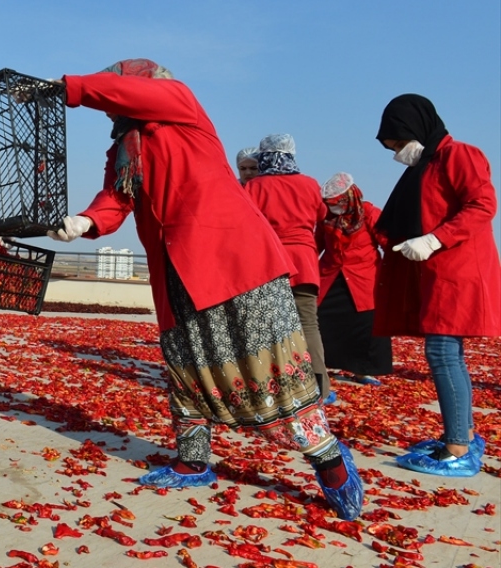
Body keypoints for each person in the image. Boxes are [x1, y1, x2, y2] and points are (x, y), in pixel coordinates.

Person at [48, 59, 362, 520]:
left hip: (235, 262)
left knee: (271, 367)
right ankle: (193, 460)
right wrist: (85, 222)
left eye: (120, 91)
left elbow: (127, 93)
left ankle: (329, 462)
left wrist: (69, 88)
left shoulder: (180, 105)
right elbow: (117, 199)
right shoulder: (124, 151)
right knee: (187, 364)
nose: (114, 108)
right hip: (176, 269)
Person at [373, 94, 499, 477]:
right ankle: (462, 434)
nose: (396, 152)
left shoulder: (459, 154)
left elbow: (482, 204)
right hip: (437, 272)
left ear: (413, 129)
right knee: (447, 354)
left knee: (443, 353)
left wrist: (435, 238)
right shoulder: (425, 165)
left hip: (457, 269)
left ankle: (458, 446)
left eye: (397, 143)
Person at [244, 134, 331, 401]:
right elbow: (321, 216)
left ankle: (269, 384)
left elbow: (246, 223)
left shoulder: (255, 186)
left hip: (270, 262)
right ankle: (319, 386)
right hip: (304, 261)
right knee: (308, 324)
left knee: (266, 325)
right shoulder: (309, 184)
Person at [316, 173, 392, 386]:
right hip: (331, 275)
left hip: (363, 277)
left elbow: (387, 241)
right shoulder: (325, 218)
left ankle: (363, 370)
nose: (334, 208)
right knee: (322, 319)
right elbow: (316, 244)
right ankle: (325, 364)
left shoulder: (369, 213)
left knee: (365, 324)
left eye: (337, 203)